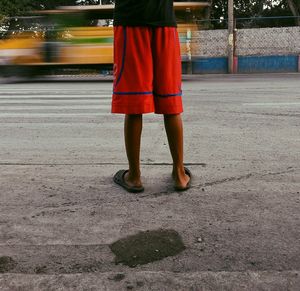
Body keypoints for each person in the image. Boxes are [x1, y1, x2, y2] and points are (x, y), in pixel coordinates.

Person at [112, 0, 191, 193]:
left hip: (132, 19)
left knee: (134, 103)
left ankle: (134, 176)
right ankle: (180, 174)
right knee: (170, 101)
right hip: (164, 21)